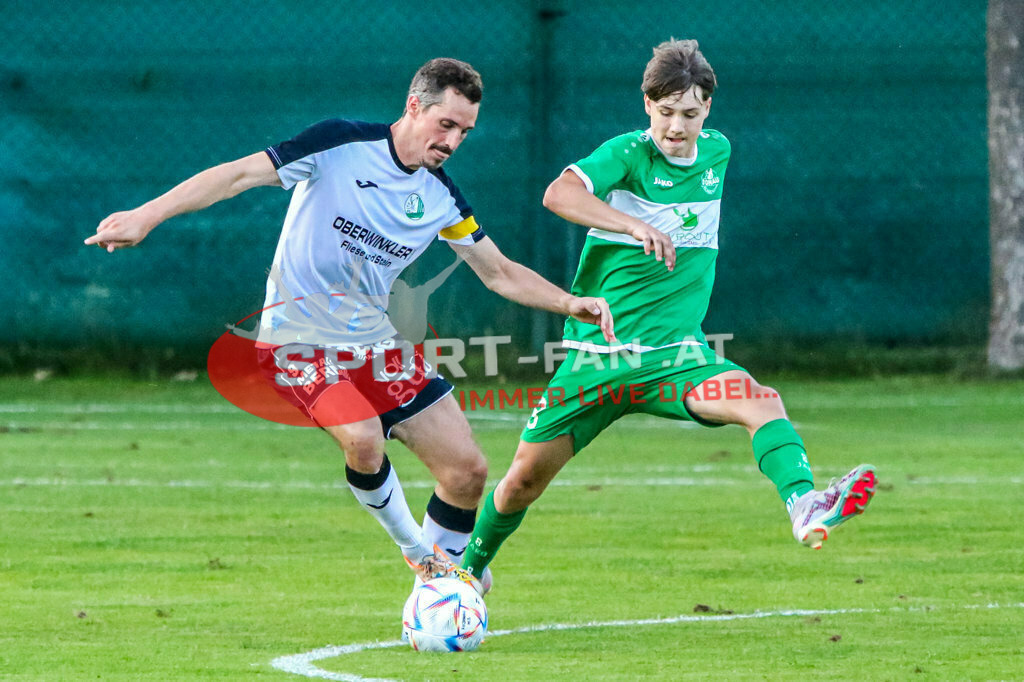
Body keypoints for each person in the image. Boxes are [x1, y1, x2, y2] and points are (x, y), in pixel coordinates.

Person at [85, 58, 615, 594]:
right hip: (297, 343)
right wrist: (146, 216)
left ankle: (436, 597)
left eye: (464, 131)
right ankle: (420, 557)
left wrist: (570, 303)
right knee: (362, 439)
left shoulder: (439, 198)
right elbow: (237, 175)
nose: (453, 141)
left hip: (374, 346)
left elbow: (499, 273)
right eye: (446, 125)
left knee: (468, 471)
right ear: (414, 106)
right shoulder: (339, 144)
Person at [460, 40, 876, 580]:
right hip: (598, 360)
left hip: (679, 359)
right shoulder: (627, 154)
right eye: (665, 112)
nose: (676, 127)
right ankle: (466, 571)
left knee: (762, 402)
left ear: (708, 109)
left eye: (690, 113)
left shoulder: (717, 152)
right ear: (646, 105)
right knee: (521, 483)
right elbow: (558, 195)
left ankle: (804, 505)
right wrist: (633, 223)